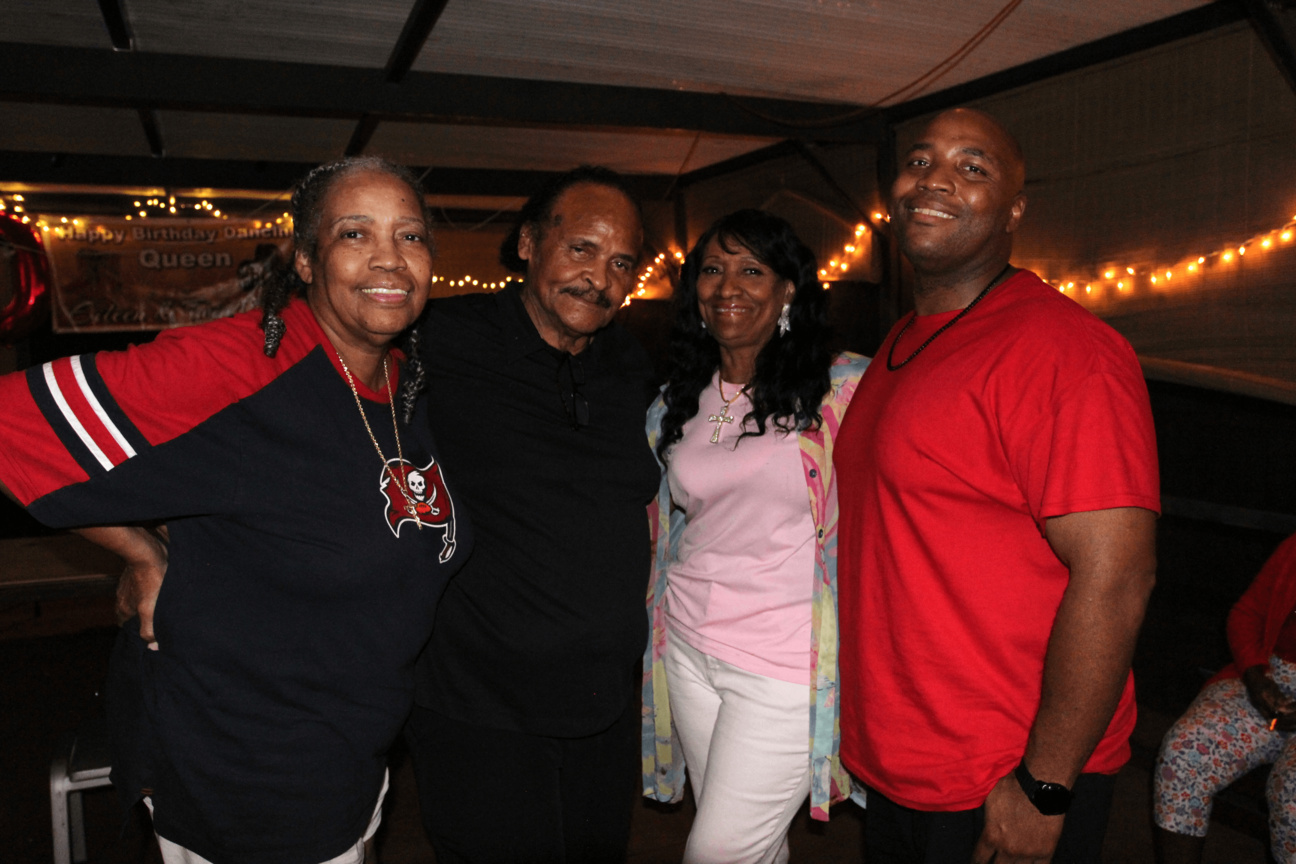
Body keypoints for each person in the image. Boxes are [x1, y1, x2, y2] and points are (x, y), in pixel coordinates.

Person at [0, 156, 471, 864]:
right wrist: (142, 551)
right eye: (354, 233)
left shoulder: (401, 383)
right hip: (249, 772)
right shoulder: (241, 366)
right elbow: (11, 426)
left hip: (350, 753)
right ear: (306, 261)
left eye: (410, 236)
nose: (389, 258)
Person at [833, 108, 1160, 863]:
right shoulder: (903, 340)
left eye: (971, 167)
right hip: (904, 762)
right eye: (920, 161)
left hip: (1003, 776)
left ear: (1015, 209)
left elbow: (1119, 577)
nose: (934, 180)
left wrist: (1045, 786)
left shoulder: (1065, 350)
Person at [404, 166, 662, 862]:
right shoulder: (438, 339)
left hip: (603, 707)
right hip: (480, 708)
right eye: (581, 249)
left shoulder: (628, 363)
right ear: (526, 243)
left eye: (621, 263)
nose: (599, 279)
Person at [640, 209, 867, 863]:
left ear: (787, 289)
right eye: (713, 269)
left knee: (718, 851)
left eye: (751, 270)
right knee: (752, 848)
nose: (728, 286)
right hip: (687, 646)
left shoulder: (843, 389)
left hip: (786, 665)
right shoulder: (675, 402)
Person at [1155, 532, 1296, 864]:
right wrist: (1255, 677)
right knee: (1184, 753)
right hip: (1269, 675)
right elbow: (1246, 614)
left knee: (1293, 796)